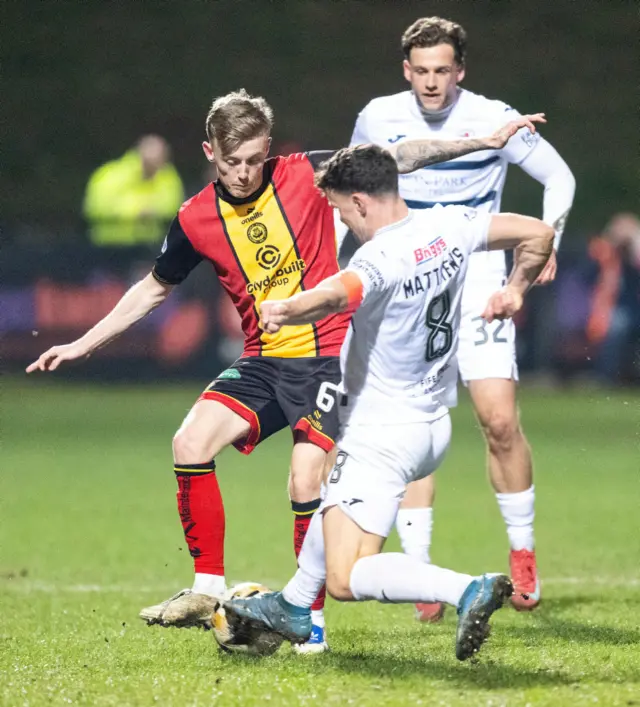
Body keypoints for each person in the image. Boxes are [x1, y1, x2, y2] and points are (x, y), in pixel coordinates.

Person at [27, 89, 543, 653]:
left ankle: (310, 629)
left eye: (253, 159)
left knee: (304, 479)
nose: (244, 173)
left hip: (328, 356)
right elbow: (154, 287)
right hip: (263, 359)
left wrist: (480, 142)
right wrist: (84, 341)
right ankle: (208, 586)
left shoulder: (304, 173)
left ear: (268, 149)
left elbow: (395, 157)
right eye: (231, 163)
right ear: (209, 153)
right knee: (190, 441)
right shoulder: (196, 217)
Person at [223, 145, 554, 661]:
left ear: (359, 202)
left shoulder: (380, 255)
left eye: (337, 209)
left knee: (346, 576)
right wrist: (515, 289)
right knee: (334, 497)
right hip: (431, 426)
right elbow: (538, 233)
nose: (340, 219)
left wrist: (288, 308)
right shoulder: (451, 224)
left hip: (383, 435)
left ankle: (465, 588)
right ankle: (290, 604)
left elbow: (338, 294)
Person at [347, 16, 576, 617]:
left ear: (460, 70)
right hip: (406, 277)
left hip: (476, 276)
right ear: (406, 70)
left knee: (499, 420)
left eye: (441, 70)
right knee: (408, 419)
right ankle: (419, 570)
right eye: (420, 71)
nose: (430, 82)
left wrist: (548, 240)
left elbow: (558, 176)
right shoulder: (377, 116)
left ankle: (522, 555)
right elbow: (356, 189)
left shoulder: (491, 115)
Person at [84, 134, 184, 247]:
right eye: (150, 163)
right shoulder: (109, 175)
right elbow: (95, 208)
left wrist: (154, 211)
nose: (157, 168)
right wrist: (136, 212)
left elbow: (174, 205)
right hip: (109, 246)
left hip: (150, 246)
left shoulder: (167, 175)